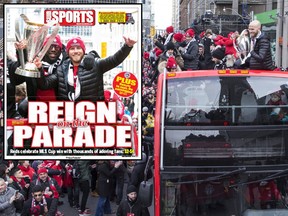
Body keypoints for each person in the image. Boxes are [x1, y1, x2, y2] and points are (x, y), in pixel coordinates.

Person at [36, 36, 136, 102]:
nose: (75, 51)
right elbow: (45, 84)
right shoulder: (61, 69)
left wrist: (127, 46)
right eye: (72, 48)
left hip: (92, 116)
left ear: (84, 51)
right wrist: (40, 69)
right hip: (67, 117)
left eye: (78, 48)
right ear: (68, 52)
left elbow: (115, 60)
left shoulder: (95, 64)